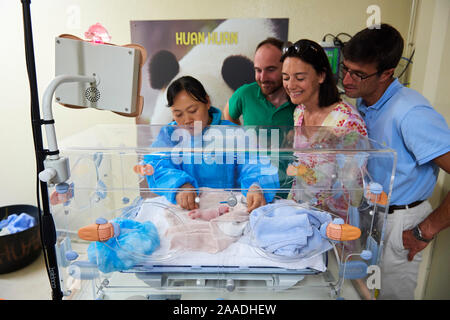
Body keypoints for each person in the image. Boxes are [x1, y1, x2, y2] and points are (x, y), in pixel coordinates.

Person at [342, 23, 450, 300]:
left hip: (401, 222)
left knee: (393, 296)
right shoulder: (363, 102)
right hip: (370, 214)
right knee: (363, 291)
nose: (347, 80)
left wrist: (425, 230)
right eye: (345, 68)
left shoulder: (411, 113)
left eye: (358, 74)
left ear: (387, 74)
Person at [143, 76, 280, 213]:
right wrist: (179, 185)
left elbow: (258, 164)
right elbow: (155, 165)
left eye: (192, 111)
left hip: (229, 209)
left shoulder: (233, 134)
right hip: (187, 211)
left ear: (207, 102)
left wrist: (256, 186)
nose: (187, 120)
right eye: (178, 114)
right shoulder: (170, 135)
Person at [281, 39, 367, 215]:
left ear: (321, 75)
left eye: (299, 78)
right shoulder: (299, 112)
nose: (290, 85)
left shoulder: (347, 121)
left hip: (331, 219)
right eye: (286, 78)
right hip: (300, 210)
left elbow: (354, 187)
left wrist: (337, 141)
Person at [223, 37, 296, 127]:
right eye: (258, 70)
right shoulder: (245, 93)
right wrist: (239, 136)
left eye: (270, 69)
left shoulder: (299, 98)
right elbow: (228, 112)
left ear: (286, 67)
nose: (262, 78)